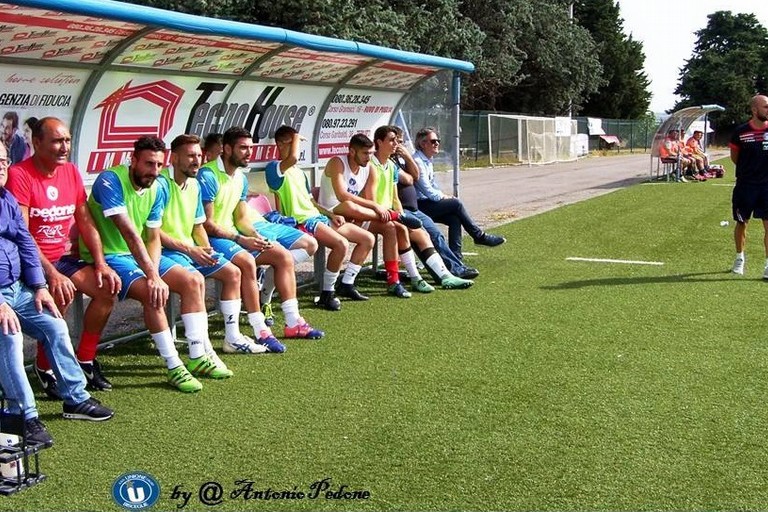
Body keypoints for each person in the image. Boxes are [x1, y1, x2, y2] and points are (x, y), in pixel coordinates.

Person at [0, 143, 114, 447]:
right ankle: (22, 416)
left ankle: (75, 399)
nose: (1, 167)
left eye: (3, 161)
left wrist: (39, 287)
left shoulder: (6, 199)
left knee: (54, 324)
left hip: (17, 289)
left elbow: (24, 242)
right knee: (9, 337)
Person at [83, 136, 212, 392]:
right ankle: (174, 366)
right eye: (148, 164)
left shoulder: (157, 187)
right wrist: (152, 276)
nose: (154, 171)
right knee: (152, 294)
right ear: (133, 160)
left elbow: (152, 236)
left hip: (136, 255)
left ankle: (199, 355)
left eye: (159, 165)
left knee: (192, 280)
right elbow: (130, 233)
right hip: (108, 256)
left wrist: (155, 272)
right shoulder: (110, 180)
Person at [7, 117, 121, 397]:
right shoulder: (20, 174)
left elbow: (85, 221)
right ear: (36, 143)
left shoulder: (70, 171)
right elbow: (23, 233)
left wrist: (101, 263)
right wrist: (52, 274)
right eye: (57, 141)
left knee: (107, 289)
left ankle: (85, 359)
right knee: (62, 295)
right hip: (33, 262)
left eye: (67, 140)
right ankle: (45, 368)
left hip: (67, 259)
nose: (64, 147)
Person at [199, 126, 324, 342]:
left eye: (250, 148)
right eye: (243, 148)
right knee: (247, 263)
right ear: (227, 149)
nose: (249, 153)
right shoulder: (208, 175)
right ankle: (260, 329)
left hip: (233, 234)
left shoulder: (240, 177)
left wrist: (256, 236)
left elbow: (240, 218)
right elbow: (207, 225)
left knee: (283, 256)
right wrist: (241, 239)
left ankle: (293, 322)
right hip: (213, 239)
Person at [158, 134, 255, 374]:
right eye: (190, 156)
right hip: (163, 251)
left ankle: (231, 338)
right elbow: (152, 232)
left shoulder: (194, 184)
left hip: (187, 250)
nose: (196, 161)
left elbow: (198, 225)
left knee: (232, 272)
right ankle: (200, 351)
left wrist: (205, 248)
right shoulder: (160, 184)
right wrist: (191, 248)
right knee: (195, 281)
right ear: (174, 157)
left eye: (199, 156)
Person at [266, 125, 375, 309]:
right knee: (341, 244)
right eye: (293, 143)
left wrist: (331, 214)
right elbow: (292, 158)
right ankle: (328, 292)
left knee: (367, 239)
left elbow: (313, 203)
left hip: (318, 218)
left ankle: (346, 284)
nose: (297, 148)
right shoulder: (274, 168)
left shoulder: (300, 173)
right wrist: (296, 137)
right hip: (301, 222)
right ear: (280, 144)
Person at [368, 125, 473, 291]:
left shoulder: (391, 164)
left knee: (424, 234)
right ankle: (407, 279)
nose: (397, 144)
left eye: (398, 140)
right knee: (403, 230)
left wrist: (400, 214)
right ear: (379, 142)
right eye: (392, 140)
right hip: (376, 214)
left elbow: (397, 194)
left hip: (400, 211)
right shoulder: (371, 165)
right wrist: (397, 215)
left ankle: (446, 276)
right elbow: (370, 198)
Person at [318, 133, 423, 298]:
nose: (369, 157)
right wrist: (376, 207)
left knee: (388, 228)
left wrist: (372, 209)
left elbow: (368, 197)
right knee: (351, 205)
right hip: (330, 214)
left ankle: (387, 281)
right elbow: (342, 195)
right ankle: (395, 216)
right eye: (365, 153)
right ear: (352, 152)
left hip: (354, 215)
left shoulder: (369, 168)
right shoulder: (337, 162)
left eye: (371, 153)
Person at [391, 126, 480, 280]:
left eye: (400, 142)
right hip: (405, 209)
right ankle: (474, 240)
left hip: (413, 208)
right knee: (451, 210)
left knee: (448, 223)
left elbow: (415, 176)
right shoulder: (388, 162)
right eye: (395, 141)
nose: (399, 145)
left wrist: (406, 157)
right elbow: (411, 179)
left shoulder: (401, 159)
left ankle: (453, 266)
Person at [412, 127, 505, 257]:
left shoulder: (428, 160)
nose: (437, 143)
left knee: (454, 219)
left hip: (427, 203)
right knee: (456, 204)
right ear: (422, 144)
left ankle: (456, 257)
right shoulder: (417, 161)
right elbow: (428, 191)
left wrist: (443, 196)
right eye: (433, 141)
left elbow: (433, 185)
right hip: (419, 205)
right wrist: (444, 197)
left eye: (438, 140)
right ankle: (479, 236)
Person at [730, 94, 768, 277]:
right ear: (755, 110)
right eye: (766, 106)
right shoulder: (740, 132)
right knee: (741, 223)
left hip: (767, 187)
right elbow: (735, 158)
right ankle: (740, 258)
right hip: (746, 186)